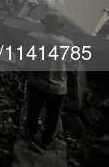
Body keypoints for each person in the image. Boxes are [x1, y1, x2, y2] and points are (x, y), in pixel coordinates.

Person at [23, 12, 73, 150]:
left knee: (33, 111)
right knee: (53, 116)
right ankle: (47, 141)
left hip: (36, 83)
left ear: (44, 22)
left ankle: (30, 133)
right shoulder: (68, 43)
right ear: (60, 26)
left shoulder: (32, 37)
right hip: (58, 87)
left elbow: (27, 57)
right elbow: (67, 62)